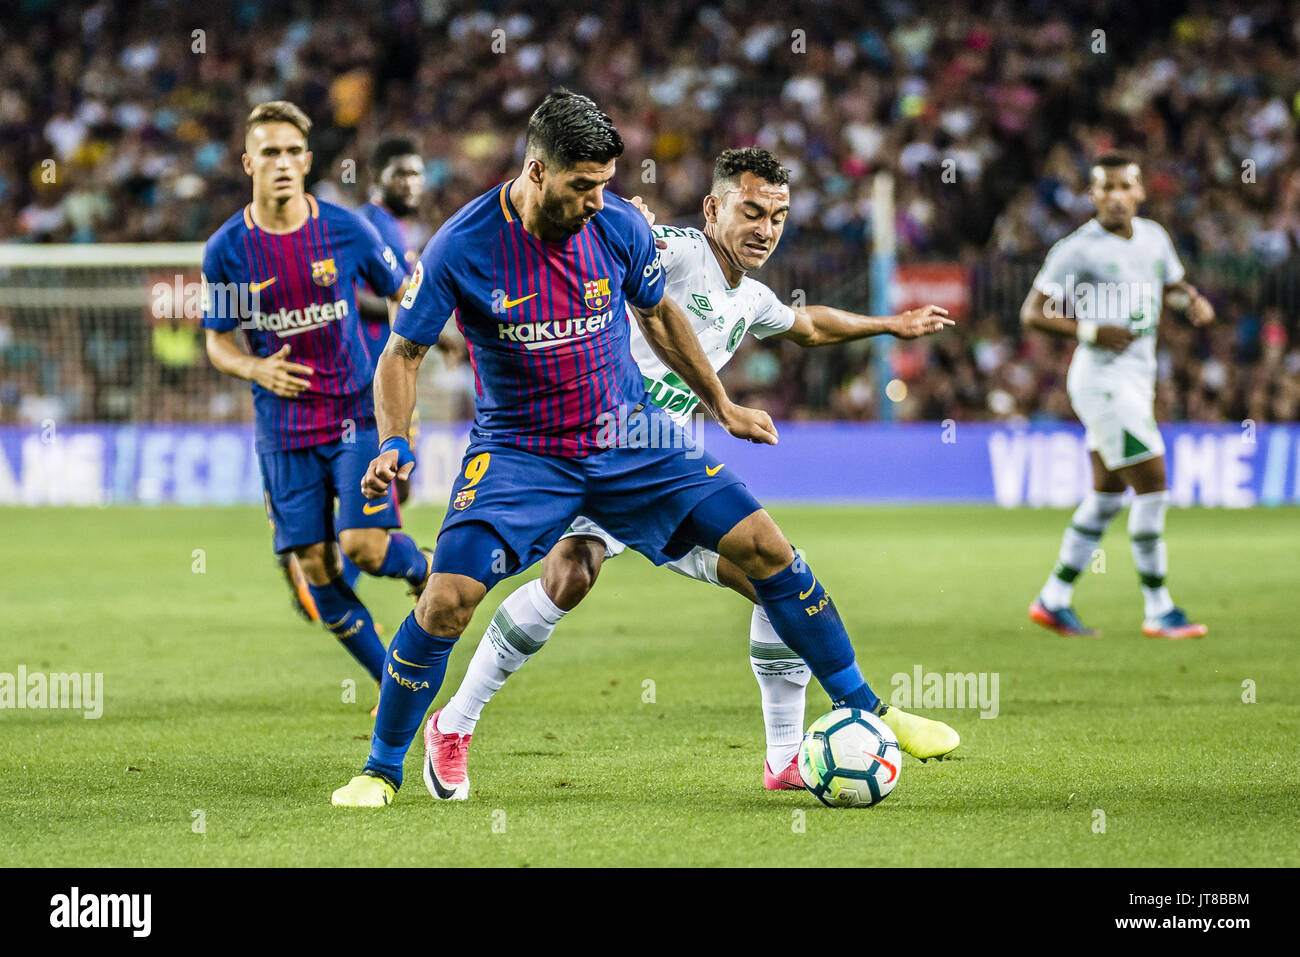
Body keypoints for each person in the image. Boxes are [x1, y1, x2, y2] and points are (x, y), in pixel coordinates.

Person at [330, 91, 959, 809]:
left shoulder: (621, 224)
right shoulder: (461, 246)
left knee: (771, 552)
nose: (599, 200)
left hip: (636, 436)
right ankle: (381, 769)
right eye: (582, 185)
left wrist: (720, 404)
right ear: (537, 173)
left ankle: (869, 710)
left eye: (605, 183)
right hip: (524, 449)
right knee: (447, 600)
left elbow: (659, 315)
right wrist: (394, 442)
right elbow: (402, 352)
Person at [201, 100, 435, 703]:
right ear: (248, 161)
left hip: (354, 414)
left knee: (363, 546)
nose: (281, 163)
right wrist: (254, 366)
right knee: (315, 568)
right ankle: (395, 685)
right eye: (269, 152)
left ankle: (421, 566)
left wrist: (398, 370)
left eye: (291, 152)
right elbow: (217, 342)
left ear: (306, 161)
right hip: (282, 429)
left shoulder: (345, 230)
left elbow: (403, 294)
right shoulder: (226, 249)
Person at [1021, 153, 1214, 640]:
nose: (1115, 196)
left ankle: (1053, 599)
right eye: (1104, 188)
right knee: (1153, 483)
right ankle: (1159, 607)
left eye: (1124, 186)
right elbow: (1032, 312)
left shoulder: (1154, 238)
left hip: (1137, 378)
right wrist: (1088, 329)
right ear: (1093, 195)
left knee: (1107, 496)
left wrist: (1190, 301)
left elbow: (1168, 287)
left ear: (1140, 192)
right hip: (1102, 382)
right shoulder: (1077, 249)